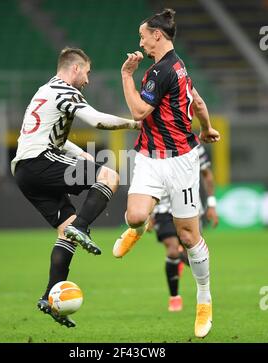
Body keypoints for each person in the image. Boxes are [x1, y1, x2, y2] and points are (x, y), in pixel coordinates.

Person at [11, 47, 139, 328]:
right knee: (109, 176)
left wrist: (78, 152)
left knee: (64, 231)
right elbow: (98, 121)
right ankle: (81, 226)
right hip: (40, 161)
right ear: (76, 69)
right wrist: (136, 123)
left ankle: (49, 298)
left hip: (24, 170)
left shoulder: (45, 90)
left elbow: (45, 133)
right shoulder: (65, 90)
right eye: (87, 73)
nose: (88, 81)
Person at [112, 9, 220, 338]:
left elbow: (138, 111)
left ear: (158, 35)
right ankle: (135, 230)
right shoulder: (178, 66)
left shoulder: (159, 71)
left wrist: (126, 75)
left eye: (143, 35)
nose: (141, 41)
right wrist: (208, 127)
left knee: (188, 238)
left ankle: (204, 299)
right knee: (134, 216)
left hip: (181, 162)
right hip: (149, 156)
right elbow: (197, 101)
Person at [148, 144, 219, 312]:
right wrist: (148, 213)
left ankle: (186, 267)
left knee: (192, 250)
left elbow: (207, 174)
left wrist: (212, 205)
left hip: (190, 207)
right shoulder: (152, 147)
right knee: (172, 250)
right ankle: (174, 297)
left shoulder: (195, 147)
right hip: (163, 208)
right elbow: (148, 182)